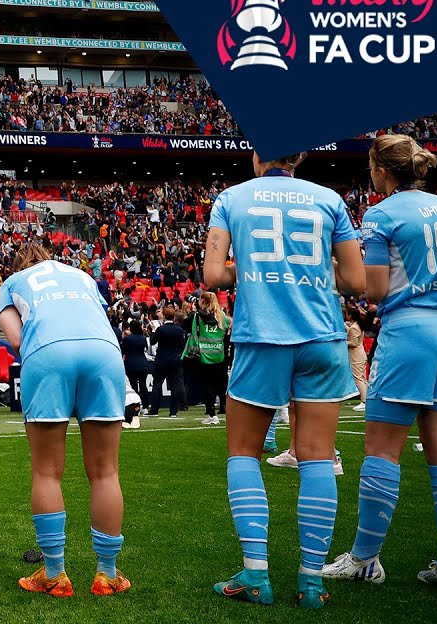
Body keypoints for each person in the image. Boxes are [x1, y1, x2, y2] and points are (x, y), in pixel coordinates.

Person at [204, 150, 365, 608]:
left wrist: (246, 270)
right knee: (316, 458)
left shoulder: (231, 198)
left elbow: (213, 275)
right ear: (301, 155)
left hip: (263, 337)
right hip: (321, 337)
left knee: (244, 454)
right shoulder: (329, 198)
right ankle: (311, 582)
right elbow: (355, 283)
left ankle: (255, 575)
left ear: (257, 154)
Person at [323, 134, 437, 592]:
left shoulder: (381, 213)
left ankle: (364, 558)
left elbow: (376, 290)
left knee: (383, 450)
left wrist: (341, 276)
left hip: (410, 332)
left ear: (381, 170)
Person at [0, 243, 131, 599]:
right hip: (104, 352)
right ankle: (107, 574)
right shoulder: (82, 276)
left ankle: (55, 573)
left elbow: (15, 338)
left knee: (47, 471)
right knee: (105, 472)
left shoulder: (12, 282)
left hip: (47, 354)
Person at [183, 292, 231, 425]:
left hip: (203, 355)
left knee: (207, 385)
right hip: (219, 355)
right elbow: (226, 336)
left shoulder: (197, 316)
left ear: (203, 301)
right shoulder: (223, 317)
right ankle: (223, 408)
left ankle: (211, 414)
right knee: (221, 385)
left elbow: (185, 326)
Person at [145, 307, 187, 417]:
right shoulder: (179, 330)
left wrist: (153, 331)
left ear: (164, 316)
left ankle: (154, 410)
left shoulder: (161, 329)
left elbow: (153, 342)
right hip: (175, 360)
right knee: (174, 385)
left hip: (162, 359)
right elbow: (183, 345)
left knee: (157, 384)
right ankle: (173, 411)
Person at [344, 308, 368, 412]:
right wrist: (345, 326)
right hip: (361, 355)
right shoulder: (357, 325)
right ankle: (367, 400)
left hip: (356, 356)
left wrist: (342, 343)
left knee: (358, 379)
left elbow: (353, 343)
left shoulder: (354, 327)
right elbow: (353, 334)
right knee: (362, 378)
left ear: (350, 316)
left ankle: (364, 401)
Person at [120, 321, 150, 399]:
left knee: (133, 385)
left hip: (131, 364)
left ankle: (137, 404)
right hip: (142, 363)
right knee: (143, 385)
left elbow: (123, 350)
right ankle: (146, 405)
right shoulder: (143, 338)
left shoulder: (127, 339)